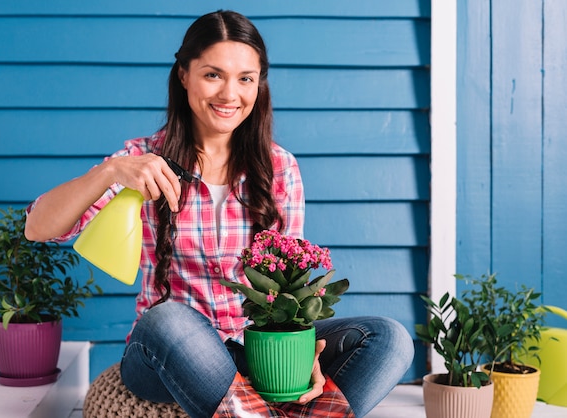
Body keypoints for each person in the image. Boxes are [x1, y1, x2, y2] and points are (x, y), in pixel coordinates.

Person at [25, 10, 414, 417]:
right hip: (166, 353)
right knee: (168, 319)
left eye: (245, 78)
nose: (230, 94)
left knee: (388, 339)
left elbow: (289, 291)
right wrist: (109, 171)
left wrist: (302, 356)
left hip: (256, 350)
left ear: (258, 85)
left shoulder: (279, 168)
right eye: (213, 75)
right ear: (183, 75)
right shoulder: (140, 162)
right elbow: (37, 227)